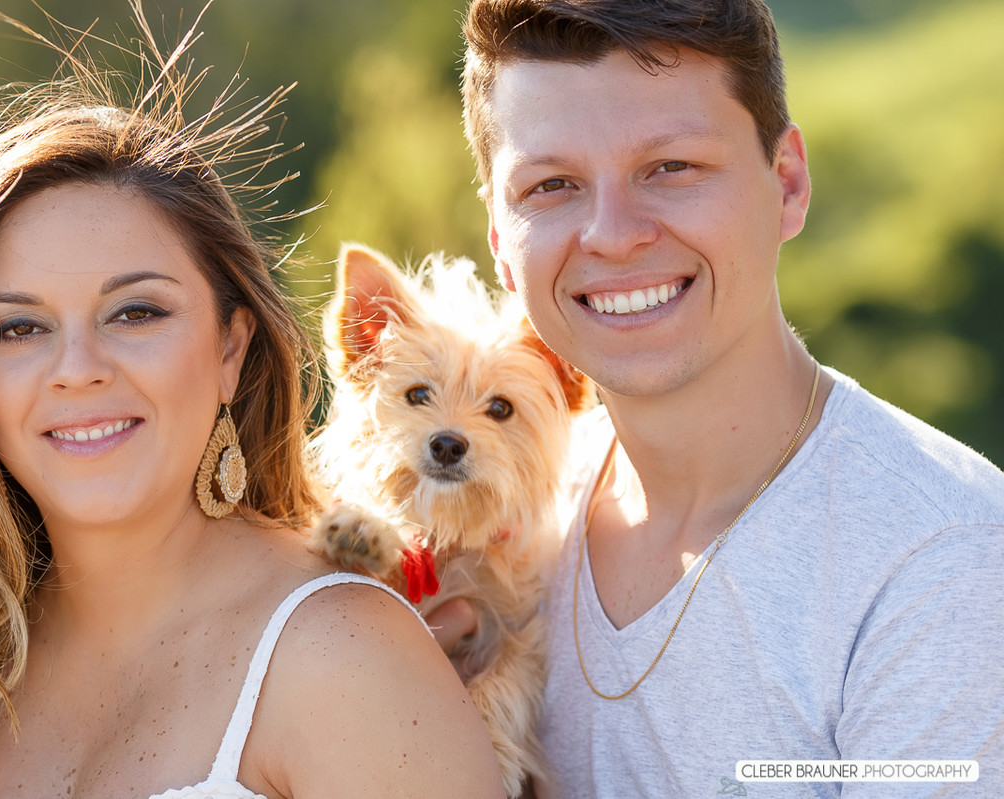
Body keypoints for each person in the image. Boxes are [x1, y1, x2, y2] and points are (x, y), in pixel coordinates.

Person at [0, 9, 506, 799]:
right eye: (19, 327)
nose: (77, 370)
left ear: (230, 351)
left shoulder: (345, 654)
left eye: (135, 312)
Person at [428, 0, 1004, 796]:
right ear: (498, 235)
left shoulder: (942, 565)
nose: (613, 233)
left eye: (672, 168)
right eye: (552, 184)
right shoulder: (508, 528)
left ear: (788, 184)